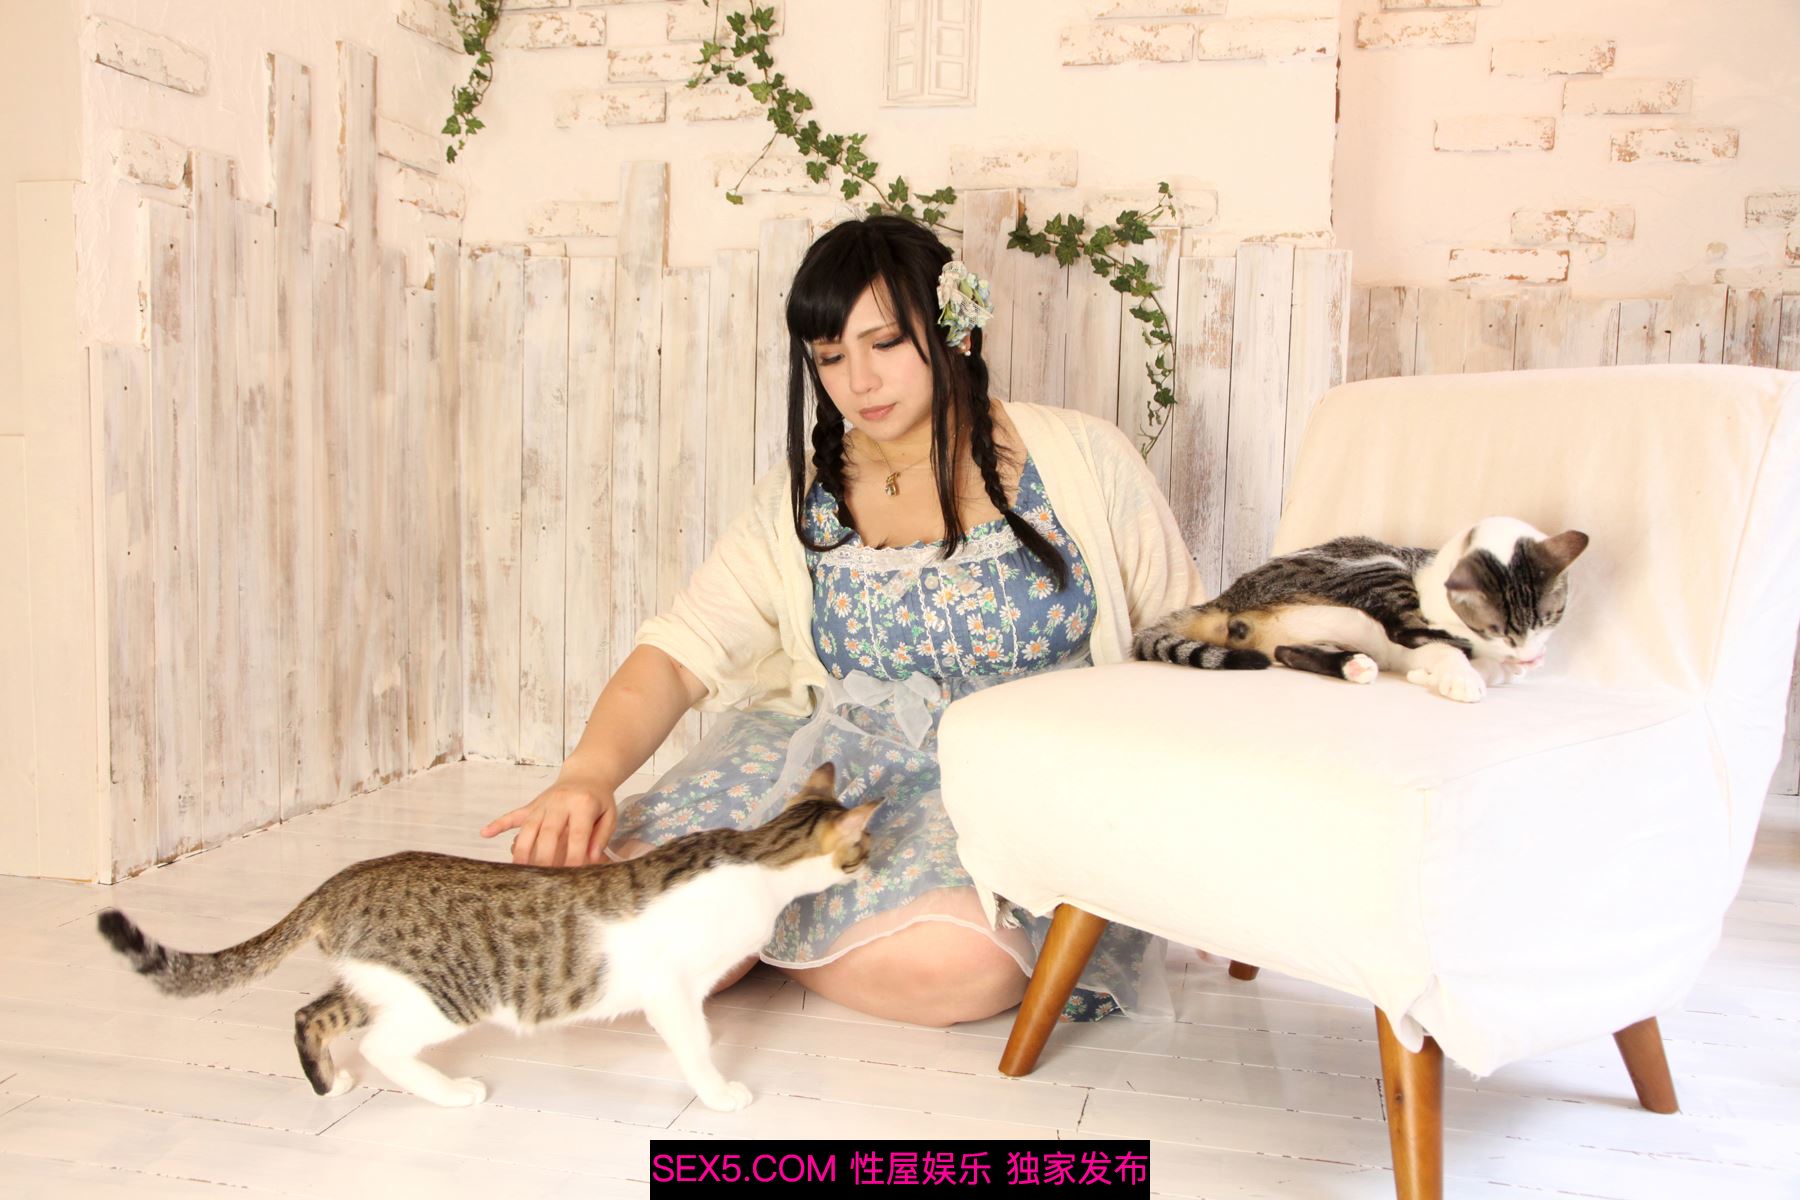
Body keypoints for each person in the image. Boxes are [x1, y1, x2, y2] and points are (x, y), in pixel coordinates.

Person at [480, 215, 1208, 1027]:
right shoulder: (802, 497)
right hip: (834, 764)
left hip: (1011, 778)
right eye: (830, 356)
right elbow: (682, 653)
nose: (859, 381)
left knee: (964, 966)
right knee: (609, 906)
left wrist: (1188, 823)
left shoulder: (1082, 459)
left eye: (885, 343)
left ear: (956, 331)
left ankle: (753, 939)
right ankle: (757, 928)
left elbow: (1180, 642)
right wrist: (586, 774)